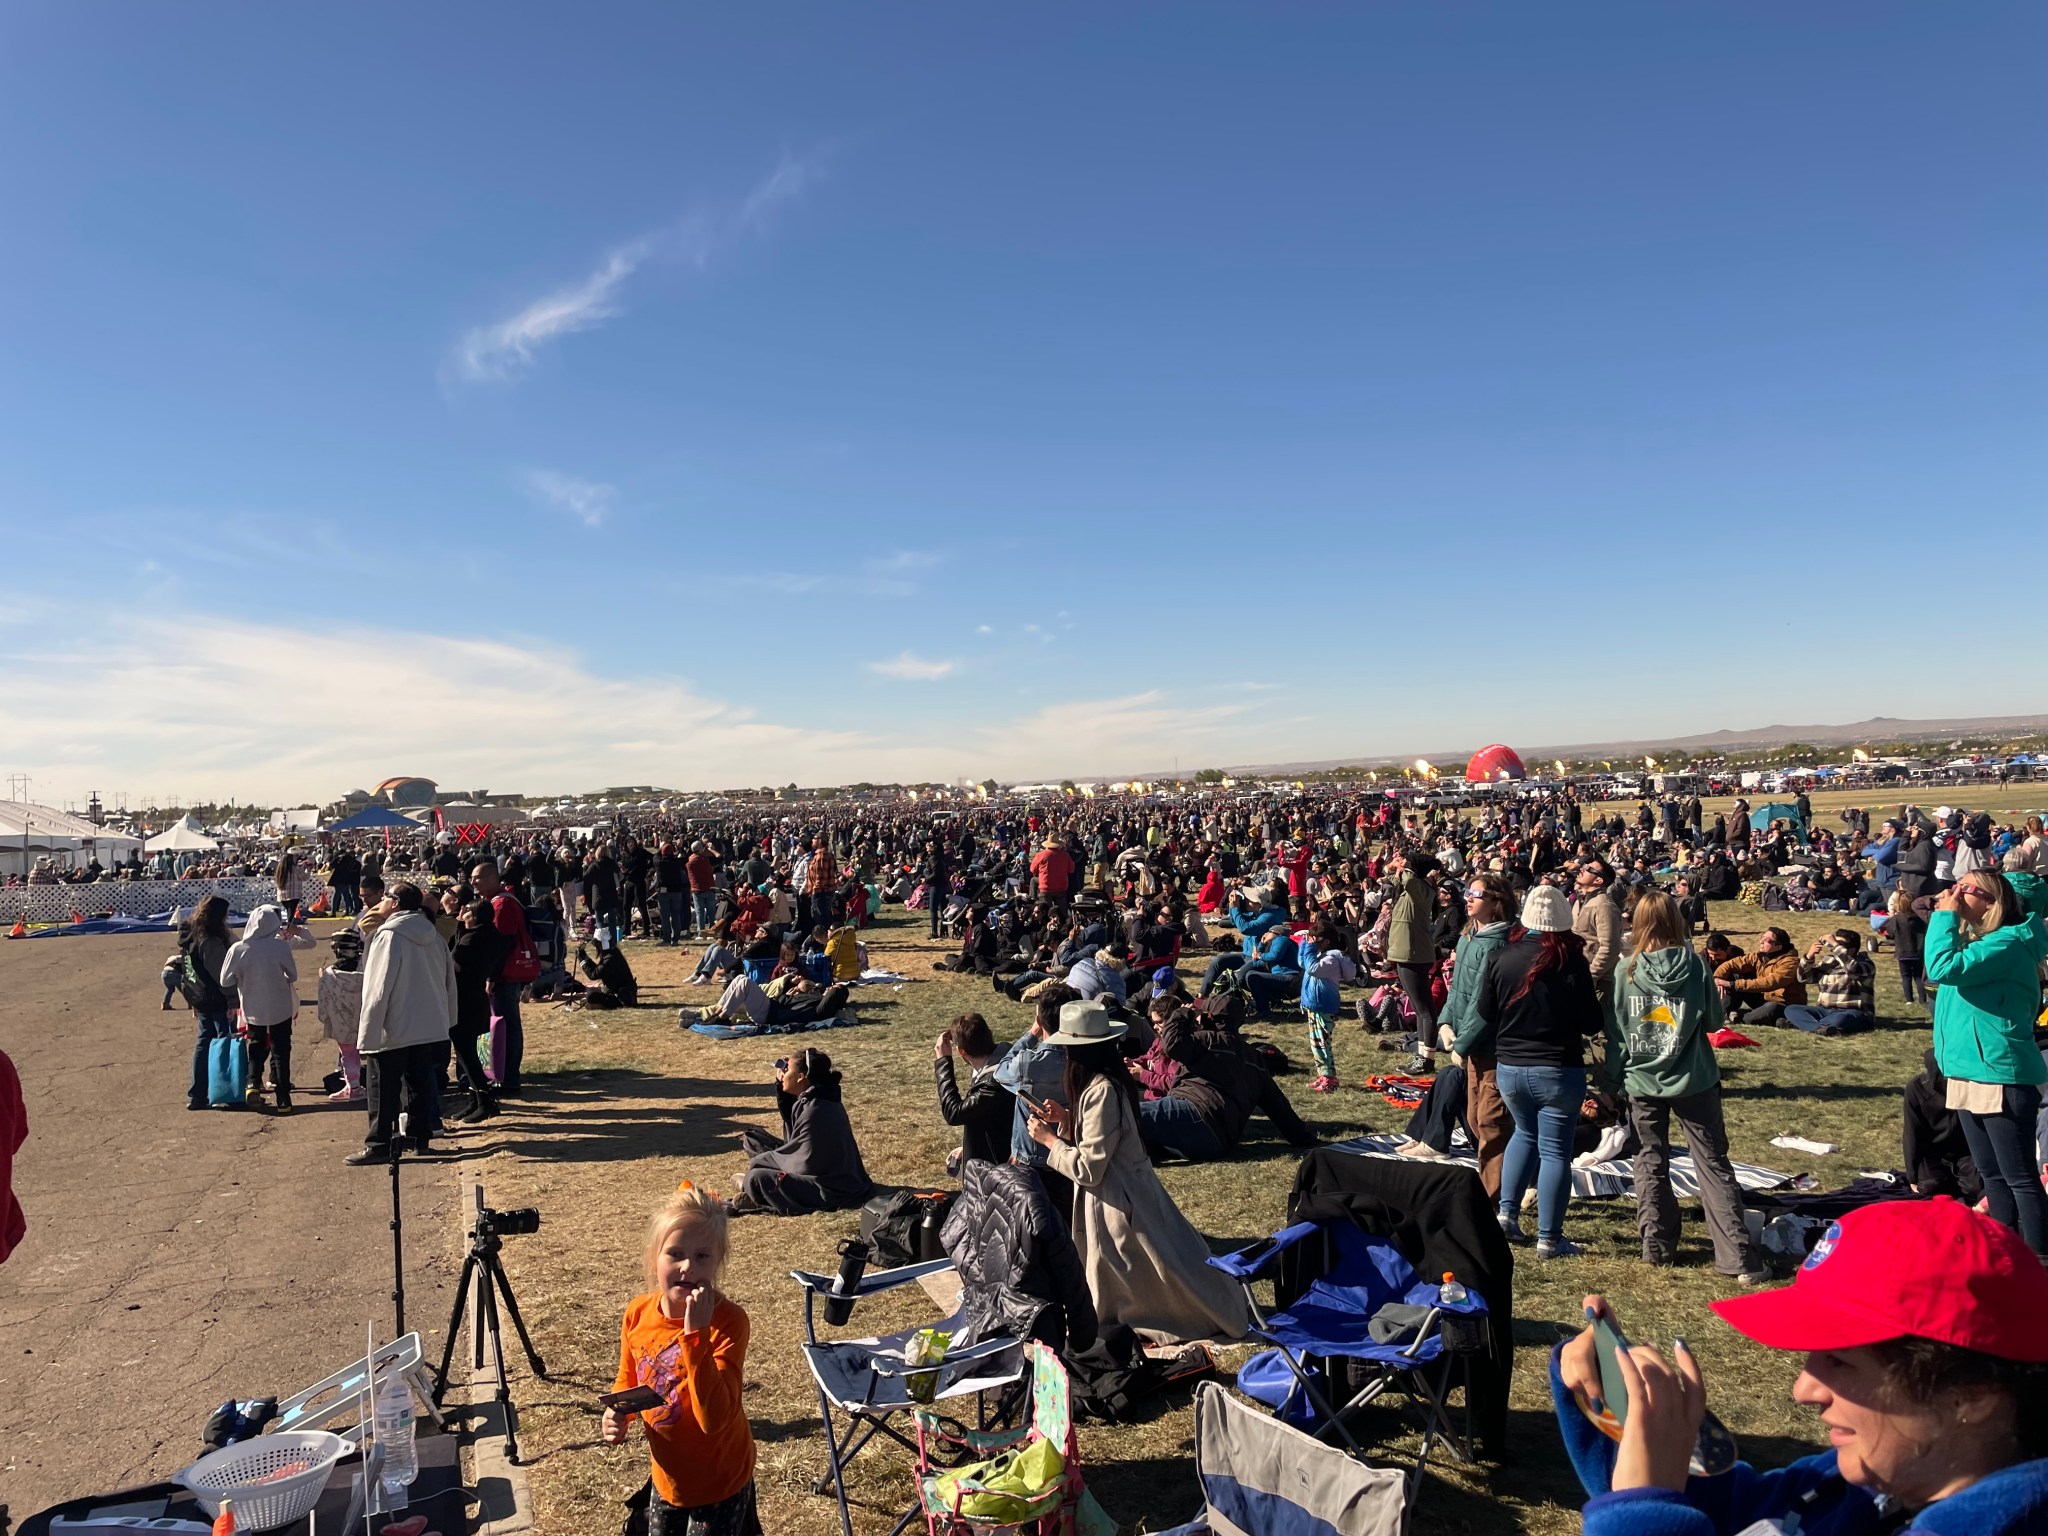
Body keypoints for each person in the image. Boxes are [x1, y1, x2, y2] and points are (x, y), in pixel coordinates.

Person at [1551, 1198, 2048, 1536]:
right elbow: (1753, 1514)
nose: (1803, 1388)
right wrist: (1631, 1420)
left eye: (1840, 1361)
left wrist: (1642, 1516)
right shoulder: (1866, 1484)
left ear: (1972, 1397)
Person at [1027, 1001, 1249, 1343]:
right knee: (1140, 1275)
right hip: (1118, 1196)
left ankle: (1185, 1318)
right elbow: (1102, 1140)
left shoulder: (1103, 1090)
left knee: (1159, 1272)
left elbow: (1090, 1167)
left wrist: (1051, 1143)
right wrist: (1067, 1122)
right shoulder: (1103, 1084)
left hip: (1122, 1201)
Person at [1605, 891, 1768, 1283]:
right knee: (1712, 1164)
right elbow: (1714, 1021)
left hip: (1641, 1078)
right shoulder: (1694, 967)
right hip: (1694, 1078)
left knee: (1649, 1161)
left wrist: (1613, 1078)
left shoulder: (1624, 969)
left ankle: (1656, 1246)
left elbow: (1616, 1033)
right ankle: (1737, 1256)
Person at [603, 1183, 761, 1536]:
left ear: (718, 1261)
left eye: (702, 1256)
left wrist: (695, 1336)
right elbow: (627, 1378)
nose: (688, 1266)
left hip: (720, 1481)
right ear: (654, 1257)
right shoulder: (637, 1314)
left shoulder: (729, 1322)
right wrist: (617, 1411)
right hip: (667, 1479)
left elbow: (714, 1419)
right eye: (675, 1254)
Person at [1926, 869, 2048, 1259]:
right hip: (1968, 1068)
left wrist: (1946, 917)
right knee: (1991, 1175)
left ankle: (2039, 1260)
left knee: (2020, 1178)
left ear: (1993, 901)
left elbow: (1942, 969)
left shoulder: (2008, 944)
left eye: (1966, 889)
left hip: (2000, 1072)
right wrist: (1953, 914)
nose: (1954, 894)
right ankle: (2001, 1255)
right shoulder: (1981, 941)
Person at [1478, 884, 1603, 1259]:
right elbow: (1590, 1020)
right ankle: (1549, 1237)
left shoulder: (1501, 956)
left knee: (1523, 1135)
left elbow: (1486, 1011)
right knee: (1554, 1152)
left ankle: (1506, 1214)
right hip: (1557, 1068)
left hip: (1511, 1066)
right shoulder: (1570, 961)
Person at [347, 882, 456, 1167]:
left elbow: (378, 988)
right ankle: (421, 1140)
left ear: (395, 903)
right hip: (427, 1024)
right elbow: (448, 981)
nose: (380, 901)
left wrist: (367, 1035)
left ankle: (379, 1143)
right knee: (419, 1083)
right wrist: (447, 1020)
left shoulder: (387, 936)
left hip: (393, 1025)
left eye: (385, 897)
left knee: (382, 1087)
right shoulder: (432, 935)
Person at [734, 1049, 872, 1215]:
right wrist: (781, 1087)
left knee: (757, 1177)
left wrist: (764, 1161)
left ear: (800, 1077)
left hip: (830, 1187)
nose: (783, 1073)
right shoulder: (815, 1096)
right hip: (811, 1166)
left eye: (787, 1070)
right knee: (752, 1138)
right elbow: (793, 1136)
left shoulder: (816, 1109)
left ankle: (752, 1189)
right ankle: (759, 1189)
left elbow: (805, 1163)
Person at [994, 985, 1079, 1221]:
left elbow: (1000, 1071)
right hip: (1072, 1158)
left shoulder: (1027, 1063)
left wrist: (1031, 1034)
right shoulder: (1084, 1061)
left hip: (1029, 1163)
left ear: (1040, 1018)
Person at [220, 905, 300, 1114]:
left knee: (255, 1045)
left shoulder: (239, 948)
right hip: (279, 1005)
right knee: (281, 1049)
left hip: (253, 1006)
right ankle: (283, 1096)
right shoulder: (280, 947)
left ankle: (252, 1083)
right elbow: (292, 975)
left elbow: (225, 980)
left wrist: (244, 977)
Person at [473, 858, 534, 1097]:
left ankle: (509, 1078)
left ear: (492, 878)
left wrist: (491, 975)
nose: (474, 883)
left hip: (505, 975)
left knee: (507, 1025)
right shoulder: (496, 901)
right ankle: (500, 1073)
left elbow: (501, 942)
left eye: (478, 878)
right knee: (501, 1025)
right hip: (503, 973)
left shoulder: (503, 905)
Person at [933, 1012, 1013, 1172]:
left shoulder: (993, 1083)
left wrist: (943, 1062)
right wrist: (968, 1146)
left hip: (999, 1171)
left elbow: (954, 1113)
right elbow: (986, 1118)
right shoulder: (1006, 1059)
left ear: (961, 1051)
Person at [1386, 849, 1441, 1074]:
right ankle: (1421, 1055)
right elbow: (1393, 877)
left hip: (1413, 953)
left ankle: (1426, 1058)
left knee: (1425, 1009)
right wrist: (1393, 866)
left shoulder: (1421, 889)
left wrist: (1403, 867)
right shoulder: (1414, 888)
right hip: (1406, 952)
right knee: (1420, 1009)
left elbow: (1406, 877)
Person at [180, 896, 237, 1112]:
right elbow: (222, 974)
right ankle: (224, 1090)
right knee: (224, 1043)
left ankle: (198, 1094)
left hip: (199, 995)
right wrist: (232, 999)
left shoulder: (190, 934)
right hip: (216, 998)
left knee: (204, 1042)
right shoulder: (211, 940)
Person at [449, 900, 499, 1122]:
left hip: (465, 1000)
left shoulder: (472, 939)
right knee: (470, 1052)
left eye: (466, 911)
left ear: (475, 916)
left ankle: (485, 1100)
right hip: (477, 998)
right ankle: (475, 1100)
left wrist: (458, 929)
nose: (462, 913)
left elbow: (454, 962)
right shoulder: (491, 935)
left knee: (466, 1052)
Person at [1784, 930, 1878, 1036]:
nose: (1834, 948)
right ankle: (1820, 1027)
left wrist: (1835, 945)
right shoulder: (1829, 961)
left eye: (1839, 944)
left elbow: (1852, 970)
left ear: (1851, 949)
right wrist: (1809, 957)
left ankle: (1805, 1025)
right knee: (1791, 1009)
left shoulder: (1865, 963)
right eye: (1834, 943)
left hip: (1853, 1012)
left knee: (1839, 1019)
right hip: (1824, 1010)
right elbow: (1805, 978)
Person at [1712, 927, 1806, 1028]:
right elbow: (1731, 964)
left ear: (1778, 946)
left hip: (1784, 1004)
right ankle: (1722, 1013)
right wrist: (1717, 978)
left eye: (1767, 940)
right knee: (1733, 977)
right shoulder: (1759, 957)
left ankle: (1740, 1018)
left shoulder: (1790, 963)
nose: (1761, 941)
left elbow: (1770, 983)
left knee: (1768, 1009)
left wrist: (1733, 984)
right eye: (1762, 937)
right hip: (1764, 999)